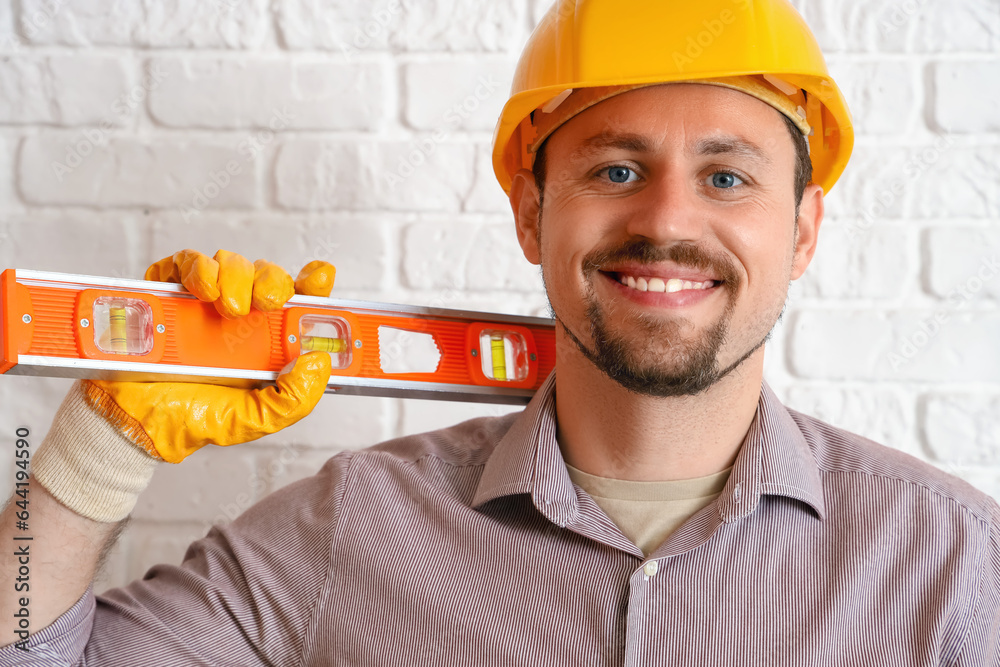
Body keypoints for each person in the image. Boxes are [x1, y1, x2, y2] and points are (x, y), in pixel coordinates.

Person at [2, 0, 998, 663]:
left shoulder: (948, 562)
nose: (666, 220)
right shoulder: (355, 528)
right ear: (531, 214)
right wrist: (99, 452)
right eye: (614, 169)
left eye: (726, 177)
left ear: (802, 229)